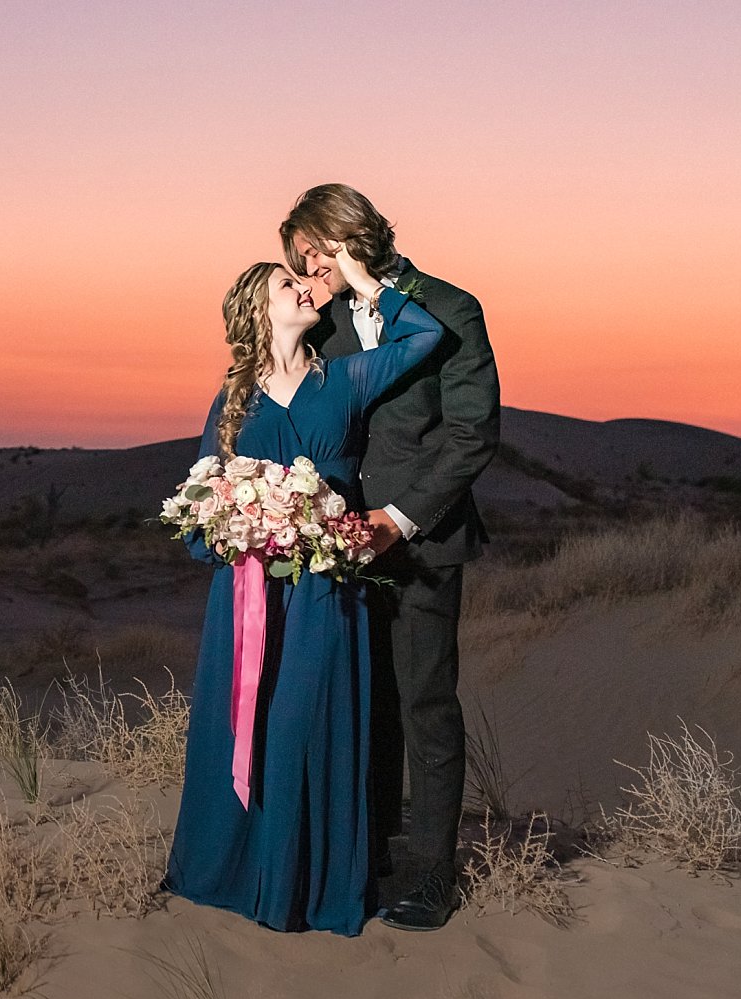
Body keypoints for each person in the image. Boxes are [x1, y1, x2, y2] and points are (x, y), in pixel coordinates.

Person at [161, 249, 444, 937]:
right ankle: (234, 874)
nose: (305, 287)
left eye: (304, 279)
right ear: (260, 311)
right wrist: (233, 528)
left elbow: (426, 337)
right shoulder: (233, 399)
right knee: (247, 725)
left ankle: (306, 886)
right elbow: (202, 495)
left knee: (302, 724)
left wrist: (367, 282)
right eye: (288, 284)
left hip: (324, 591)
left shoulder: (344, 381)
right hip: (251, 594)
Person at [281, 182, 500, 932]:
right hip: (340, 545)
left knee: (425, 703)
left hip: (424, 539)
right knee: (363, 702)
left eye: (314, 251)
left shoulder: (451, 306)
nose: (309, 269)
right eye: (299, 260)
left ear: (347, 234)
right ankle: (365, 855)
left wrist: (398, 520)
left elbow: (472, 434)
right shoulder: (324, 322)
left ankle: (432, 873)